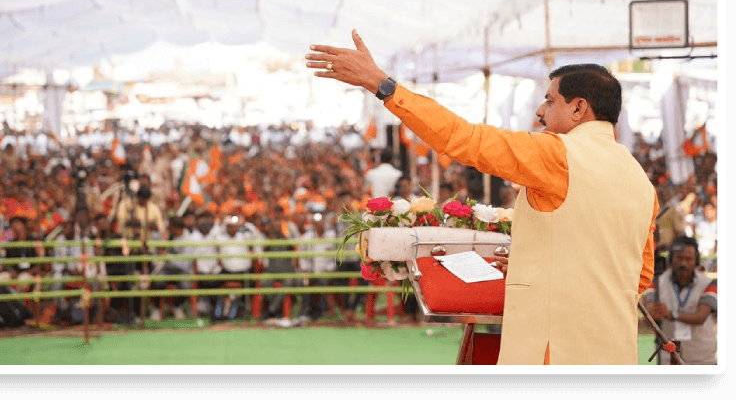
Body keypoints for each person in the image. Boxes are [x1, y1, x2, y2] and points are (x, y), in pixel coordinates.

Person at [305, 29, 658, 365]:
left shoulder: (556, 153)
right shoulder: (640, 180)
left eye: (549, 101)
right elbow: (638, 278)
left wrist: (381, 85)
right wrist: (540, 269)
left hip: (554, 352)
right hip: (616, 350)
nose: (539, 112)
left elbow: (463, 139)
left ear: (579, 109)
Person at [642, 236, 717, 364]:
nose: (683, 263)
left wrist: (670, 314)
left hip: (702, 360)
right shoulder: (656, 283)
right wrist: (651, 314)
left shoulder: (710, 283)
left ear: (696, 260)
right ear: (671, 258)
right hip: (668, 360)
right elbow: (650, 313)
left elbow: (701, 317)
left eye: (688, 259)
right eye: (679, 258)